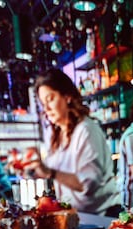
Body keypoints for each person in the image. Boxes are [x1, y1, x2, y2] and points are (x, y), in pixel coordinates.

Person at [26, 69, 120, 215]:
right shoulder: (55, 134)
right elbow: (58, 175)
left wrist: (50, 172)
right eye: (42, 103)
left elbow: (87, 185)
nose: (46, 109)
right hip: (76, 217)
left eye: (50, 99)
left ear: (67, 96)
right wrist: (32, 168)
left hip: (102, 218)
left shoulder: (86, 130)